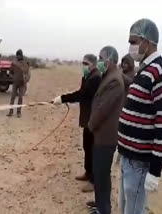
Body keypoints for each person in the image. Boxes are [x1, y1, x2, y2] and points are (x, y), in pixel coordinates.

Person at [117, 19, 162, 214]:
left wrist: (156, 170)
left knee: (134, 210)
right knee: (124, 207)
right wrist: (121, 146)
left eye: (134, 41)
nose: (131, 47)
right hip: (127, 156)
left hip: (139, 162)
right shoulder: (143, 69)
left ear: (147, 42)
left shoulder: (161, 71)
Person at [52, 54, 101, 193]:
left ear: (93, 64)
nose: (84, 66)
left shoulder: (96, 78)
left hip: (93, 118)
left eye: (86, 63)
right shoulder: (87, 76)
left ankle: (94, 180)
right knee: (86, 146)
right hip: (87, 118)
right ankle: (88, 172)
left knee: (92, 149)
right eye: (83, 63)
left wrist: (62, 99)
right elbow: (81, 93)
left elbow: (81, 95)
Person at [86, 46, 125, 214]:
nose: (99, 61)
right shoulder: (108, 76)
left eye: (101, 58)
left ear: (108, 61)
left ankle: (104, 210)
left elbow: (103, 109)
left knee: (102, 174)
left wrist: (90, 125)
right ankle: (99, 204)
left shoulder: (114, 80)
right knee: (99, 172)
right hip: (101, 134)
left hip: (106, 136)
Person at [7, 49, 29, 118]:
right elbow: (10, 72)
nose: (18, 57)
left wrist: (25, 80)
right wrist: (12, 77)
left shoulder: (25, 63)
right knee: (13, 97)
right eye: (17, 55)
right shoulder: (14, 63)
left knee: (20, 97)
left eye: (19, 55)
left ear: (21, 55)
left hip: (22, 83)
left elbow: (27, 73)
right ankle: (10, 111)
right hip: (15, 83)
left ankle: (18, 112)